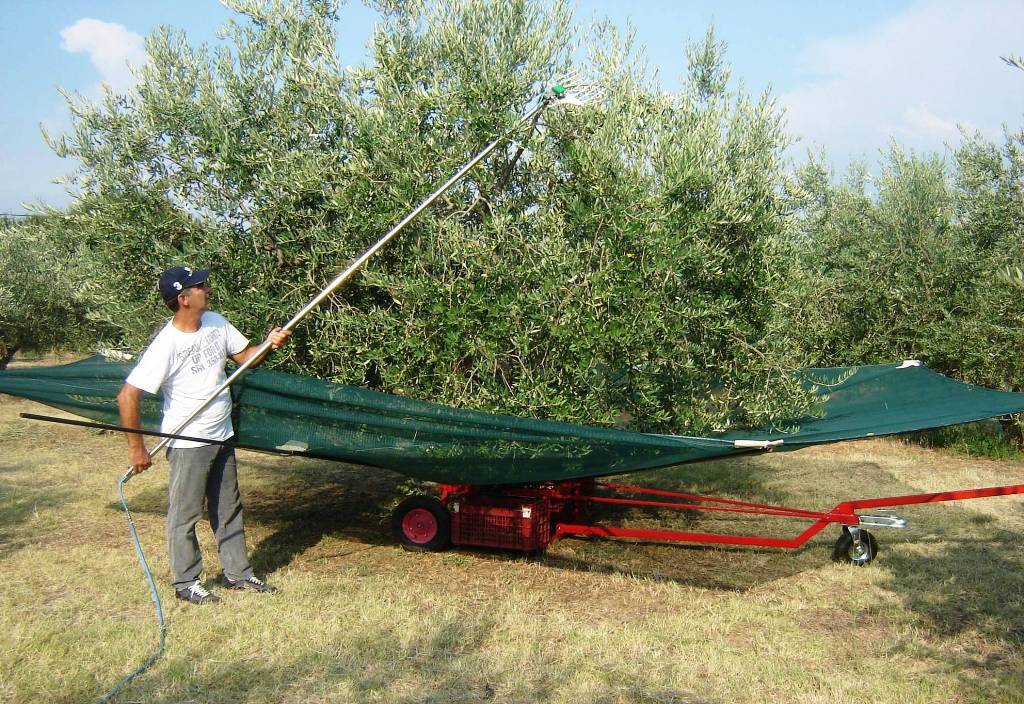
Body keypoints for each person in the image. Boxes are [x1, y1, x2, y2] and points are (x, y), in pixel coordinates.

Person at [117, 266, 292, 605]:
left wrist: (269, 344)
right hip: (188, 442)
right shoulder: (166, 344)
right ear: (183, 299)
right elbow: (127, 395)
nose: (207, 289)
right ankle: (186, 582)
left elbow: (245, 358)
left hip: (221, 435)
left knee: (228, 507)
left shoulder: (216, 322)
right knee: (185, 514)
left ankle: (238, 574)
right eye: (200, 286)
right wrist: (137, 448)